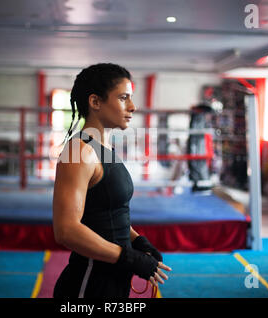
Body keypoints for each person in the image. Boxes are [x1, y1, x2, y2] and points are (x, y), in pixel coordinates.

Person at [53, 63, 171, 298]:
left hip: (114, 279)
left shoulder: (104, 148)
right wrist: (128, 257)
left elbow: (106, 215)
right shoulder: (79, 151)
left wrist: (138, 242)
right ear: (95, 102)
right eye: (123, 98)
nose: (133, 106)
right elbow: (66, 230)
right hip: (89, 283)